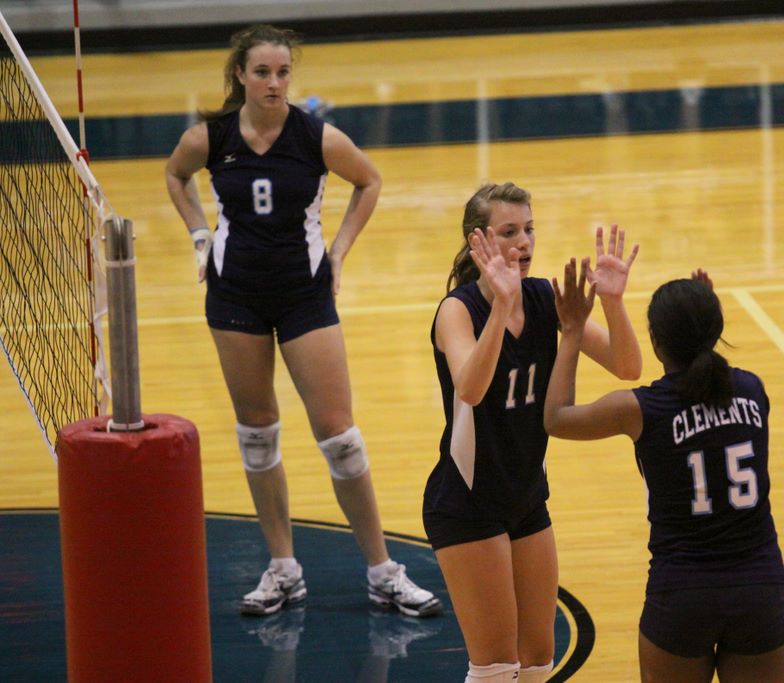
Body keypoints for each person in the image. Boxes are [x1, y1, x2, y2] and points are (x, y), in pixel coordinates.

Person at [165, 24, 440, 619]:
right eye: (262, 72)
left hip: (303, 296)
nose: (274, 82)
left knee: (340, 438)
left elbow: (369, 180)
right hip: (235, 297)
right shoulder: (210, 138)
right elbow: (175, 175)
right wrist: (199, 234)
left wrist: (338, 251)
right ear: (241, 75)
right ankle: (283, 568)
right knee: (257, 433)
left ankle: (382, 572)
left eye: (283, 72)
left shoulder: (316, 137)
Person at [424, 181, 643, 682]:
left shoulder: (544, 297)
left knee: (538, 662)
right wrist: (501, 306)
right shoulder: (458, 310)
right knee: (496, 666)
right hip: (467, 502)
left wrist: (612, 302)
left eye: (528, 229)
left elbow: (627, 366)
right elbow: (471, 389)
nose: (523, 242)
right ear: (478, 242)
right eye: (509, 232)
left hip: (525, 496)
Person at [543, 267, 784, 683]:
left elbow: (556, 418)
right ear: (715, 331)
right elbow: (711, 390)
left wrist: (571, 331)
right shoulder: (753, 390)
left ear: (656, 343)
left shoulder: (641, 409)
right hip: (759, 589)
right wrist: (703, 320)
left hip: (682, 593)